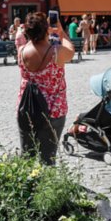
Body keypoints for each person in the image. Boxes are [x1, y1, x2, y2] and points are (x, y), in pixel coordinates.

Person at [16, 12, 74, 164]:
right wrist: (61, 32)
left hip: (27, 107)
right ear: (46, 29)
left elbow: (20, 39)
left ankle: (27, 179)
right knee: (48, 159)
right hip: (53, 110)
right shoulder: (57, 52)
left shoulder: (21, 51)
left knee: (27, 156)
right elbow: (71, 50)